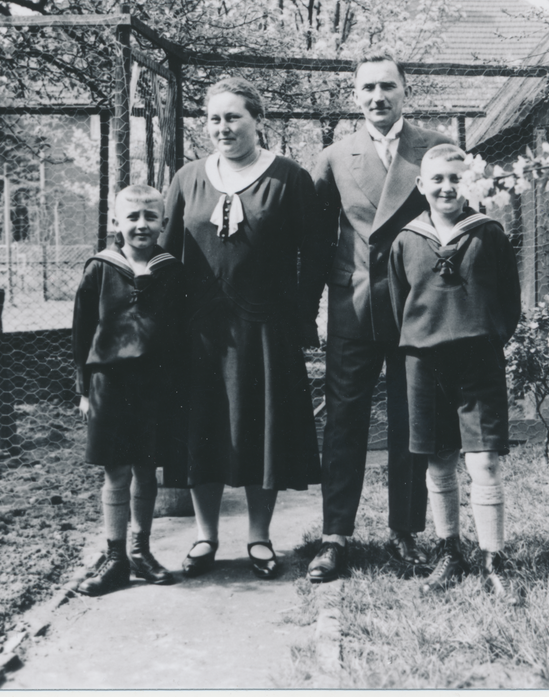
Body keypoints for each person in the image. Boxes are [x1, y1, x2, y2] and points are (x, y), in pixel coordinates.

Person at [159, 77, 321, 580]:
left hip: (265, 330)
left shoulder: (289, 178)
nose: (223, 128)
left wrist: (298, 314)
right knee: (202, 431)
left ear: (257, 119)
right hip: (200, 333)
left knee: (261, 431)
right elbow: (166, 252)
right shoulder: (187, 178)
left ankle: (258, 537)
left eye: (233, 117)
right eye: (214, 119)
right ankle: (206, 536)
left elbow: (313, 256)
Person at [303, 53, 456, 583]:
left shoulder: (437, 149)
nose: (377, 97)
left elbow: (463, 224)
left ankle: (404, 532)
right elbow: (318, 244)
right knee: (344, 423)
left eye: (387, 86)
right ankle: (334, 537)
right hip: (356, 306)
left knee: (411, 422)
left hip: (419, 307)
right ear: (355, 95)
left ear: (405, 90)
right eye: (367, 88)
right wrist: (318, 309)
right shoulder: (333, 157)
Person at [388, 144, 521, 601]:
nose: (448, 187)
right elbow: (397, 306)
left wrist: (484, 337)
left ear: (472, 185)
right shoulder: (405, 240)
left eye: (457, 179)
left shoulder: (489, 234)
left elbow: (509, 302)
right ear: (422, 185)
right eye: (438, 179)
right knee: (438, 458)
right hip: (424, 364)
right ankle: (450, 551)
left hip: (478, 360)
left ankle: (493, 558)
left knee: (483, 460)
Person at [71, 184, 188, 596]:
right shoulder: (100, 269)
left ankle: (141, 550)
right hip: (109, 385)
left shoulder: (172, 270)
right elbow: (82, 333)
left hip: (157, 386)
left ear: (164, 223)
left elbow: (182, 332)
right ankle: (116, 557)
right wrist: (84, 389)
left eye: (150, 217)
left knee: (146, 467)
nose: (141, 225)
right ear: (115, 222)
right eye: (132, 217)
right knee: (116, 469)